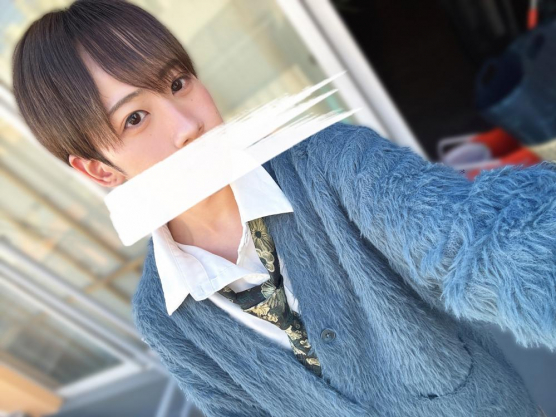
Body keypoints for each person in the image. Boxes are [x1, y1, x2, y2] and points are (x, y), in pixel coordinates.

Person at [11, 1, 554, 416]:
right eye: (135, 118)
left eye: (178, 83)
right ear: (99, 170)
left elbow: (475, 239)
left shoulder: (332, 162)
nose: (187, 125)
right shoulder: (163, 316)